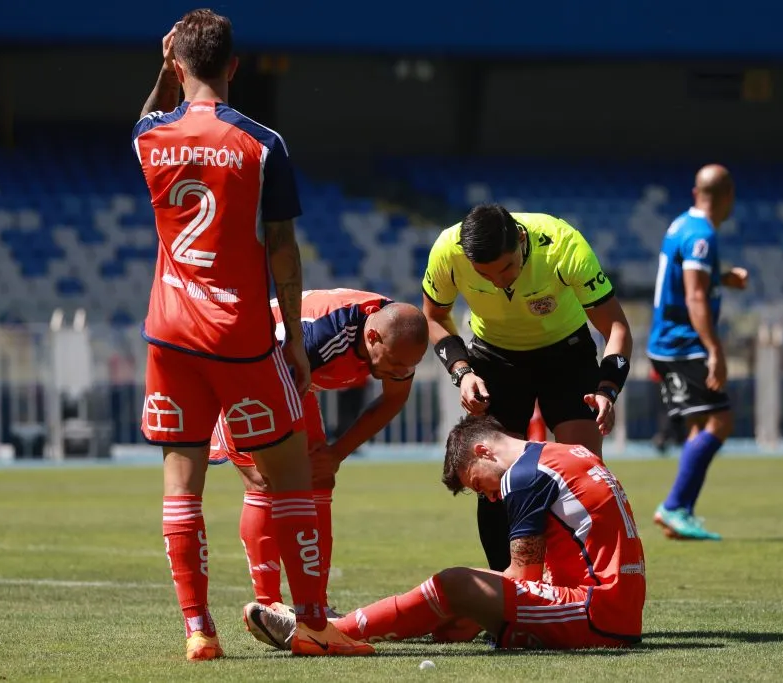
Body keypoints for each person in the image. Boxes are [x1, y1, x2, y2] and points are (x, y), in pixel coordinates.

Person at [132, 11, 371, 658]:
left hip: (169, 333)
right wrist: (293, 336)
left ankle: (197, 629)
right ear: (235, 66)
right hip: (239, 332)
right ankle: (316, 622)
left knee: (181, 484)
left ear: (175, 62)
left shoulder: (151, 138)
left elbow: (147, 117)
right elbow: (285, 250)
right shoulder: (262, 143)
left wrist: (164, 71)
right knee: (292, 475)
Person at [243, 414, 646, 651]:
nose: (487, 497)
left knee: (454, 583)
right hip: (614, 608)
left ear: (482, 451)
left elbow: (523, 579)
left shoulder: (523, 476)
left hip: (595, 612)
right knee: (464, 592)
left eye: (476, 483)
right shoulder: (568, 452)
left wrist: (469, 609)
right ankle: (337, 628)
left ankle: (326, 634)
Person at [421, 204, 633, 572]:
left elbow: (616, 327)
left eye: (506, 268)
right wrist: (462, 371)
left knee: (582, 473)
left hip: (566, 354)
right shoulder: (447, 250)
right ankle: (510, 595)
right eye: (484, 275)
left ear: (521, 240)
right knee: (493, 481)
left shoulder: (563, 244)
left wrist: (607, 389)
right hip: (494, 359)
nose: (499, 282)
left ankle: (584, 587)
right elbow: (434, 316)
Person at [209, 289, 428, 619]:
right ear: (372, 337)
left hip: (295, 382)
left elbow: (393, 399)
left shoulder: (398, 339)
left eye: (409, 366)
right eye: (396, 363)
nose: (401, 372)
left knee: (320, 477)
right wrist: (243, 464)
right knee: (265, 484)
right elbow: (241, 383)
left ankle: (315, 604)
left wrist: (336, 453)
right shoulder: (320, 337)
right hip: (245, 375)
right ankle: (268, 605)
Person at [647, 164, 748, 541]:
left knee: (697, 424)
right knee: (721, 421)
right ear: (728, 198)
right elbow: (693, 294)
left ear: (695, 193)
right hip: (683, 343)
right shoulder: (702, 234)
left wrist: (723, 278)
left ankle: (682, 513)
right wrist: (715, 349)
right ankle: (674, 507)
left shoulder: (680, 225)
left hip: (669, 340)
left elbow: (685, 279)